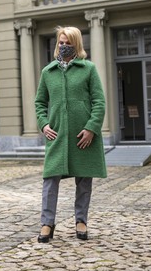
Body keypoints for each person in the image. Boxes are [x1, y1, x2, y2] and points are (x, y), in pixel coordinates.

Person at [34, 26, 107, 243]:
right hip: (56, 136)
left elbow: (99, 102)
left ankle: (81, 221)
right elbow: (39, 102)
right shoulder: (48, 72)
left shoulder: (88, 69)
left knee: (84, 180)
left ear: (76, 44)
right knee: (50, 180)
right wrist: (44, 124)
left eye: (68, 42)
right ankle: (47, 223)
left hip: (83, 136)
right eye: (61, 42)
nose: (63, 46)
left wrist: (91, 128)